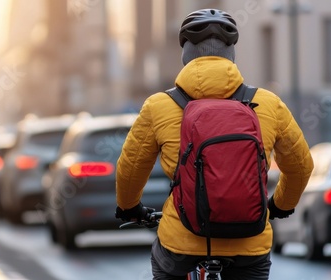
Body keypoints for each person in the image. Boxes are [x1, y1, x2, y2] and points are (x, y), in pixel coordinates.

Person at [115, 8, 314, 280]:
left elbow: (131, 168)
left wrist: (129, 207)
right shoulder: (268, 103)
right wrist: (279, 205)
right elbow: (301, 166)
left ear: (186, 56)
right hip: (250, 241)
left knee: (165, 263)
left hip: (182, 241)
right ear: (231, 55)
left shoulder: (158, 106)